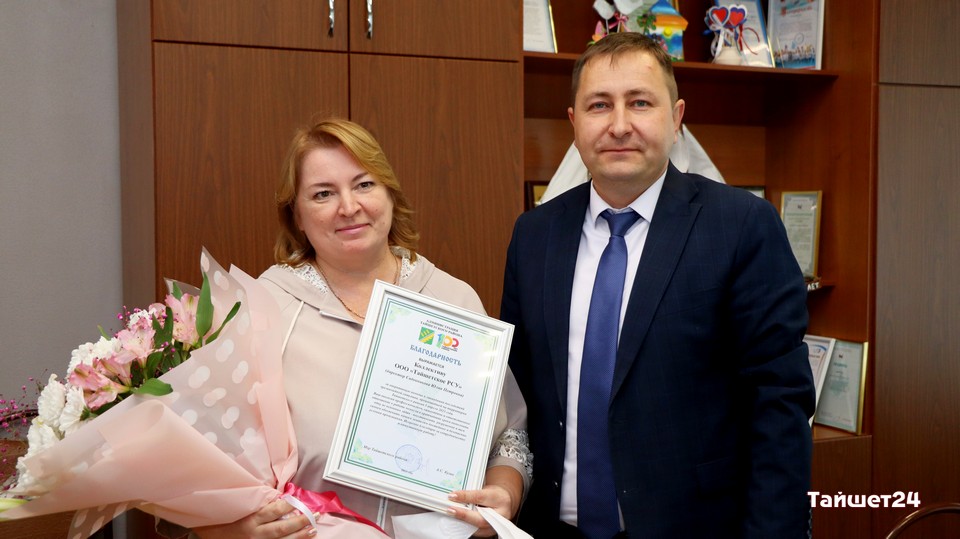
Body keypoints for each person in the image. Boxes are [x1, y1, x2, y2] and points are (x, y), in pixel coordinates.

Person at [500, 32, 815, 538]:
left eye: (640, 103)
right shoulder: (535, 234)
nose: (619, 125)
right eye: (599, 105)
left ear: (676, 118)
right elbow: (515, 393)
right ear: (574, 123)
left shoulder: (741, 225)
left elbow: (779, 404)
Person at [191, 118, 532, 538]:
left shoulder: (454, 298)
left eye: (364, 184)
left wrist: (504, 492)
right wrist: (233, 529)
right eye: (323, 193)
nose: (349, 206)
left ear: (390, 194)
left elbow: (508, 433)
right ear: (296, 215)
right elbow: (203, 459)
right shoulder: (264, 309)